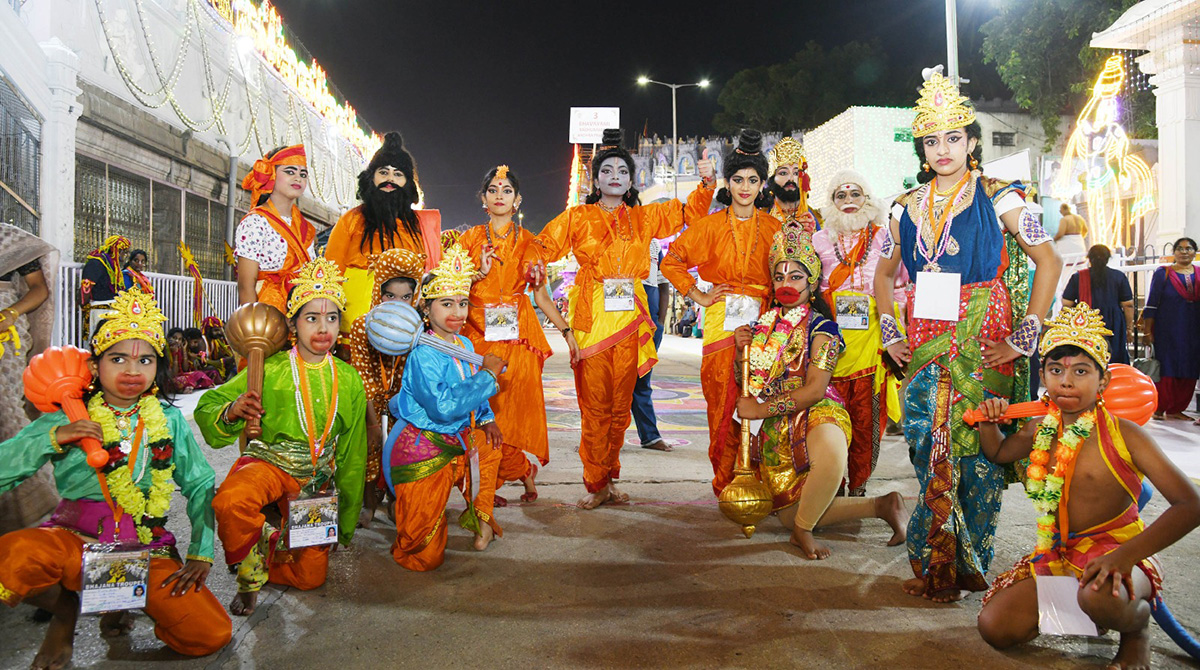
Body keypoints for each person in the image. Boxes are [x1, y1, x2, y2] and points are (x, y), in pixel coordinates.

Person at [873, 69, 1062, 603]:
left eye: (953, 137)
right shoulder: (902, 207)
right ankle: (932, 562)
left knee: (979, 459)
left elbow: (1050, 260)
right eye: (932, 140)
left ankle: (967, 567)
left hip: (986, 337)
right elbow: (884, 277)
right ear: (922, 147)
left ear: (972, 141)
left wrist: (1025, 337)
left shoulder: (1001, 197)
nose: (943, 149)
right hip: (925, 342)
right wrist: (890, 335)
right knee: (925, 447)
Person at [0, 287, 232, 666]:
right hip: (75, 541)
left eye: (145, 361)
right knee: (12, 558)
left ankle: (126, 598)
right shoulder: (69, 417)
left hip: (145, 549)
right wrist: (51, 439)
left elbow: (201, 484)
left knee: (209, 634)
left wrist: (201, 552)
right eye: (118, 358)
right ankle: (64, 613)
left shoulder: (169, 420)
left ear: (159, 367)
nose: (131, 371)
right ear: (95, 367)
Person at [975, 304, 1200, 670]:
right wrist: (989, 421)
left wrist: (1123, 558)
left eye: (1081, 371)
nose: (1066, 381)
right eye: (1055, 370)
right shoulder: (1039, 428)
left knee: (1100, 596)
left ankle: (1136, 629)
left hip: (1123, 548)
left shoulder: (1126, 434)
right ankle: (1088, 614)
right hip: (1060, 551)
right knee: (995, 627)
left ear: (1103, 382)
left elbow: (1190, 505)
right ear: (1043, 376)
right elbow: (1000, 452)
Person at [521, 128, 705, 509]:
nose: (615, 175)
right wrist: (535, 263)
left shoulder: (644, 218)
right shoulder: (578, 217)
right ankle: (594, 482)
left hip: (630, 324)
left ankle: (608, 478)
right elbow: (542, 244)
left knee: (621, 409)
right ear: (597, 178)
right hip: (591, 322)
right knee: (595, 407)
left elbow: (688, 211)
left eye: (623, 170)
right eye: (608, 170)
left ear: (632, 179)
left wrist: (706, 182)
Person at [196, 258, 367, 616]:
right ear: (292, 324)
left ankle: (267, 542)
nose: (323, 328)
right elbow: (210, 403)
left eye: (332, 318)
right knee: (231, 503)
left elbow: (352, 454)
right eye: (312, 318)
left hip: (316, 476)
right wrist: (232, 411)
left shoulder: (349, 378)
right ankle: (249, 575)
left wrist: (345, 523)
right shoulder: (270, 367)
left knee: (309, 579)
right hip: (269, 462)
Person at [733, 222, 907, 559]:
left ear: (812, 282)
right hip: (775, 426)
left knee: (830, 459)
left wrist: (758, 410)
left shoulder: (823, 328)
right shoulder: (761, 325)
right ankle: (883, 506)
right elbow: (751, 382)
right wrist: (742, 349)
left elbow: (814, 390)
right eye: (780, 276)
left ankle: (803, 530)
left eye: (796, 276)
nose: (787, 283)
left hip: (817, 409)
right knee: (787, 514)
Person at [661, 129, 783, 494]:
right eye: (737, 180)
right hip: (720, 326)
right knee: (721, 403)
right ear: (727, 184)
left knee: (761, 404)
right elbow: (672, 262)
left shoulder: (776, 229)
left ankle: (760, 482)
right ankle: (725, 483)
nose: (745, 187)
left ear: (762, 185)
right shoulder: (709, 226)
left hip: (764, 326)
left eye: (753, 180)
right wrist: (698, 295)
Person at [385, 243, 507, 566]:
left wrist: (486, 418)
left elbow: (470, 393)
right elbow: (443, 406)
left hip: (459, 440)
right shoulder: (424, 353)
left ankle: (483, 523)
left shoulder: (464, 343)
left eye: (463, 303)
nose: (457, 312)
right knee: (424, 558)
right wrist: (488, 378)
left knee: (492, 444)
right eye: (446, 303)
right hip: (427, 449)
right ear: (426, 309)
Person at [459, 166, 574, 505]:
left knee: (510, 413)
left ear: (517, 199)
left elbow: (540, 296)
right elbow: (452, 292)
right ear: (483, 198)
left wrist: (566, 332)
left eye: (506, 190)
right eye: (493, 189)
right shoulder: (468, 241)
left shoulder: (529, 242)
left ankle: (504, 478)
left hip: (518, 338)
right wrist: (475, 272)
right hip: (477, 335)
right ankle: (518, 473)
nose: (499, 195)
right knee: (481, 411)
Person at [812, 170, 907, 496]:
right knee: (829, 416)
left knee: (866, 420)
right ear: (831, 202)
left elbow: (899, 289)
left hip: (872, 338)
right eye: (841, 195)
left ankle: (859, 486)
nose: (849, 202)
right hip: (831, 340)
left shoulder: (886, 237)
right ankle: (832, 485)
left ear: (868, 199)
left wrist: (896, 334)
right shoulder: (820, 240)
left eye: (856, 195)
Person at [325, 131, 442, 342]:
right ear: (371, 178)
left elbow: (434, 279)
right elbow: (330, 276)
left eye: (398, 175)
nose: (390, 180)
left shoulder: (421, 226)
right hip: (352, 334)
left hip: (405, 331)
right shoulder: (351, 220)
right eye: (384, 172)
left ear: (408, 183)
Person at [347, 247, 424, 527]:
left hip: (403, 405)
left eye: (406, 297)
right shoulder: (361, 326)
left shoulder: (418, 329)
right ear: (378, 293)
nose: (397, 303)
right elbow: (363, 375)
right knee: (368, 451)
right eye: (389, 296)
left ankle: (395, 499)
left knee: (400, 452)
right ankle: (368, 503)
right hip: (369, 404)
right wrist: (371, 424)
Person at [0, 224, 58, 534]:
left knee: (7, 414)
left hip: (4, 334)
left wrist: (10, 313)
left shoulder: (11, 241)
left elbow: (39, 288)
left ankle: (31, 511)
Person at [234, 144, 315, 314]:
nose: (298, 178)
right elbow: (245, 286)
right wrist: (254, 330)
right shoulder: (255, 223)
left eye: (303, 174)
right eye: (290, 172)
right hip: (267, 312)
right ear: (271, 174)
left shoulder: (305, 227)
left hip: (302, 310)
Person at [696, 136, 821, 235]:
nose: (791, 178)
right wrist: (709, 184)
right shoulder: (760, 217)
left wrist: (811, 237)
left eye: (796, 172)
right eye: (783, 172)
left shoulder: (812, 217)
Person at [1142, 236, 1199, 421]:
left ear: (1195, 252)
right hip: (1167, 329)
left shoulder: (1198, 274)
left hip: (1193, 330)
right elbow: (1151, 304)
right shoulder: (1163, 273)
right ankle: (1160, 407)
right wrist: (1148, 331)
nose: (1184, 252)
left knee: (1190, 367)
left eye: (1189, 249)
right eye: (1180, 249)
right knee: (1167, 366)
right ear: (1174, 252)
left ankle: (1176, 408)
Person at [630, 237, 671, 452]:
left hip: (651, 324)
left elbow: (664, 284)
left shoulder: (654, 245)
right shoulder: (614, 237)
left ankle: (650, 437)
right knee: (611, 381)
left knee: (642, 379)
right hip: (618, 320)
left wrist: (661, 322)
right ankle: (603, 438)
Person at [1061, 244, 1134, 365]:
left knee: (1089, 358)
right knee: (1113, 357)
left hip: (1086, 322)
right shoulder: (1119, 277)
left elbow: (1066, 304)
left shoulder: (1078, 277)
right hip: (1113, 323)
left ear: (1089, 258)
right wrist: (1129, 328)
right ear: (1107, 259)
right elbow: (1128, 305)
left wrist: (1077, 313)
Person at [167, 327, 219, 394]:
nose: (177, 341)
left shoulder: (181, 350)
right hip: (171, 378)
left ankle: (189, 386)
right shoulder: (166, 351)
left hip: (183, 375)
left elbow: (185, 369)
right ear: (168, 338)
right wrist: (175, 356)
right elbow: (173, 374)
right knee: (181, 380)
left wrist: (184, 350)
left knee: (199, 374)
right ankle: (189, 386)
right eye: (174, 338)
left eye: (179, 339)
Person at [201, 316, 237, 381]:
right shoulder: (202, 341)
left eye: (219, 330)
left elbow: (221, 355)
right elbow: (202, 362)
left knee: (231, 364)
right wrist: (224, 361)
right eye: (216, 330)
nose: (219, 333)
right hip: (202, 369)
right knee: (212, 368)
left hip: (211, 367)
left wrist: (231, 358)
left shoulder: (215, 341)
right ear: (208, 329)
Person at [1054, 203, 1089, 269]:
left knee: (1068, 266)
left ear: (1063, 210)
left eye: (1060, 211)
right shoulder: (1079, 218)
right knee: (1080, 265)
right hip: (1079, 243)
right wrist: (1079, 238)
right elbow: (1085, 230)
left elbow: (1061, 233)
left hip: (1068, 245)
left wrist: (1054, 240)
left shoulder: (1064, 219)